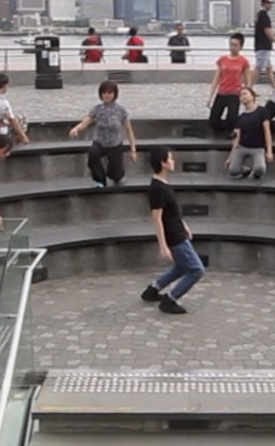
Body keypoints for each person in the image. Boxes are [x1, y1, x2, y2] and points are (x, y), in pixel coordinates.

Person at [140, 146, 206, 314]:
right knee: (196, 270)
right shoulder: (157, 188)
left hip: (177, 230)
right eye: (170, 158)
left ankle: (153, 289)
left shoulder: (164, 184)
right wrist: (163, 246)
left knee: (182, 267)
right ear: (163, 163)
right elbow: (157, 218)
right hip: (174, 236)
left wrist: (184, 224)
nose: (173, 161)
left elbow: (172, 211)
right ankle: (170, 300)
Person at [69, 80, 138, 188]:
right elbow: (85, 122)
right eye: (104, 92)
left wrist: (133, 149)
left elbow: (129, 130)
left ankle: (116, 175)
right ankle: (99, 180)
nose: (107, 95)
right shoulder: (97, 109)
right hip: (100, 142)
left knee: (116, 174)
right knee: (93, 155)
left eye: (110, 92)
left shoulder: (121, 110)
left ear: (114, 94)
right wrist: (76, 129)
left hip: (115, 144)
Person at [225, 87, 274, 180]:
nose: (243, 97)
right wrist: (230, 157)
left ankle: (256, 174)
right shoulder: (241, 117)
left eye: (245, 94)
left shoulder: (262, 111)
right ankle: (246, 170)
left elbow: (267, 132)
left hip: (257, 148)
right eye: (241, 95)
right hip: (243, 147)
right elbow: (236, 139)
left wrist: (269, 151)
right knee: (233, 170)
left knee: (260, 169)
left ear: (252, 96)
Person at [207, 33, 251, 137]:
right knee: (213, 119)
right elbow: (216, 78)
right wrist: (210, 96)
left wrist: (248, 97)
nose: (232, 47)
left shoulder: (243, 61)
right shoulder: (222, 60)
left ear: (240, 47)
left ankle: (230, 134)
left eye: (235, 45)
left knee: (231, 119)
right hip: (222, 92)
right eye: (231, 44)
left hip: (234, 93)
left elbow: (248, 81)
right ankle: (219, 133)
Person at [0, 73, 30, 144]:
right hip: (0, 134)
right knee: (22, 119)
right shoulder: (3, 102)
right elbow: (12, 120)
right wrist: (24, 136)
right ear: (4, 86)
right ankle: (19, 140)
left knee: (14, 119)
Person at [253, 0, 275, 88]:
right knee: (258, 68)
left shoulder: (260, 15)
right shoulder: (264, 15)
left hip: (263, 46)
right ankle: (249, 87)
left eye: (272, 3)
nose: (270, 5)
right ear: (263, 4)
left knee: (269, 68)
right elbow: (267, 30)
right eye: (268, 2)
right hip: (263, 46)